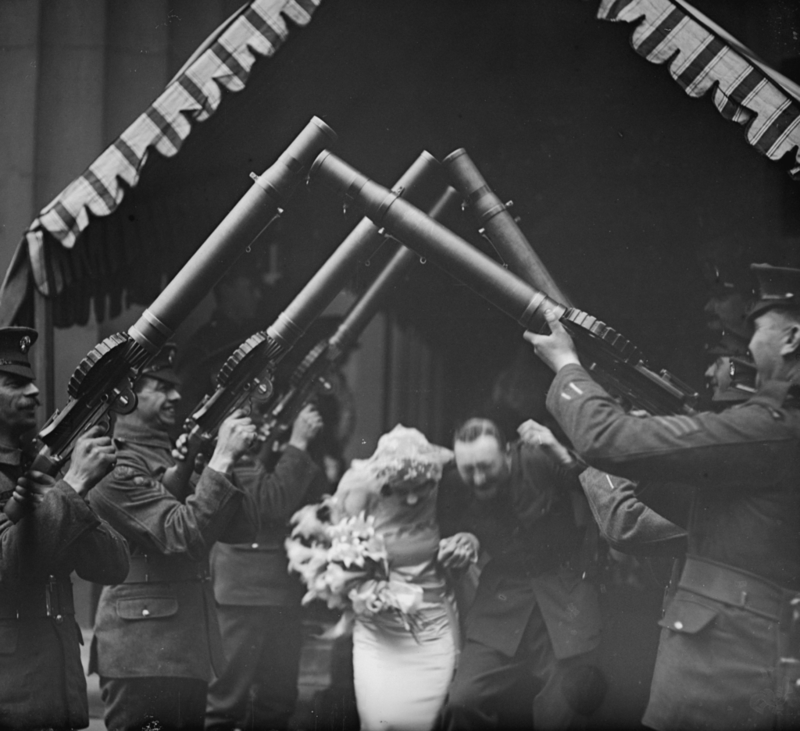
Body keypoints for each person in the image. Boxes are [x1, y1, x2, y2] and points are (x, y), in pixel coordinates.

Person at [525, 262, 800, 729]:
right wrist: (644, 443)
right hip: (727, 662)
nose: (749, 344)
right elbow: (692, 505)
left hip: (723, 670)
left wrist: (569, 368)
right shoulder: (774, 428)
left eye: (756, 329)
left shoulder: (773, 428)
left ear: (792, 339)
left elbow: (605, 440)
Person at [87, 344, 258, 731]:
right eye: (161, 387)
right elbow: (182, 536)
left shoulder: (174, 454)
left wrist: (224, 459)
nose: (176, 396)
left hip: (185, 651)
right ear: (127, 395)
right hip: (142, 655)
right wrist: (219, 461)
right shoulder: (111, 463)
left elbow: (243, 527)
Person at [435, 417, 605, 731]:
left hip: (562, 597)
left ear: (508, 453)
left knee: (565, 707)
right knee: (463, 700)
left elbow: (598, 489)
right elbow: (460, 529)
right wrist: (466, 540)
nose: (478, 478)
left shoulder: (538, 459)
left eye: (486, 466)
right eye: (468, 469)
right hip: (502, 603)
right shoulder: (455, 485)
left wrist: (560, 452)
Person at [0, 326, 129, 730]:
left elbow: (112, 566)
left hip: (57, 685)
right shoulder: (55, 479)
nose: (36, 392)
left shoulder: (40, 469)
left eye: (33, 381)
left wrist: (76, 488)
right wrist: (71, 486)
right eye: (15, 384)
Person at [333, 425, 478, 731]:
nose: (413, 499)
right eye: (401, 489)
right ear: (384, 482)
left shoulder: (442, 485)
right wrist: (374, 590)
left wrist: (464, 541)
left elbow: (468, 527)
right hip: (379, 630)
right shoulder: (360, 492)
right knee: (377, 721)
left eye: (421, 487)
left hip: (432, 627)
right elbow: (338, 565)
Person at [204, 403, 329, 731]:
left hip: (283, 588)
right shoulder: (237, 436)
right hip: (243, 591)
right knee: (225, 703)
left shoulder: (271, 435)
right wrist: (298, 443)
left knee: (278, 702)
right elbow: (268, 505)